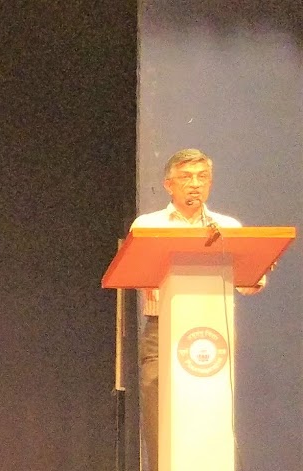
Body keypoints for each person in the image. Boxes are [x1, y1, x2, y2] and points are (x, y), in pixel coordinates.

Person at [130, 149, 266, 471]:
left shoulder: (226, 227)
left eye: (202, 177)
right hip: (162, 332)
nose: (195, 184)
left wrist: (258, 265)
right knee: (161, 420)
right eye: (186, 177)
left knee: (208, 418)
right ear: (168, 185)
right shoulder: (149, 225)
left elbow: (249, 285)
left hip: (212, 334)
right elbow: (135, 274)